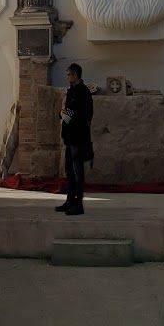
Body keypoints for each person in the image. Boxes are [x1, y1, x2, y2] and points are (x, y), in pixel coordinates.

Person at [58, 62, 93, 215]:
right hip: (69, 137)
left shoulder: (83, 92)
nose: (67, 77)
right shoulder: (72, 91)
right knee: (70, 171)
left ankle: (78, 204)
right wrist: (64, 115)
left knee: (78, 172)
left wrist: (64, 115)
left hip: (78, 138)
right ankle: (70, 200)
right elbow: (69, 112)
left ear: (75, 75)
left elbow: (84, 114)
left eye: (69, 74)